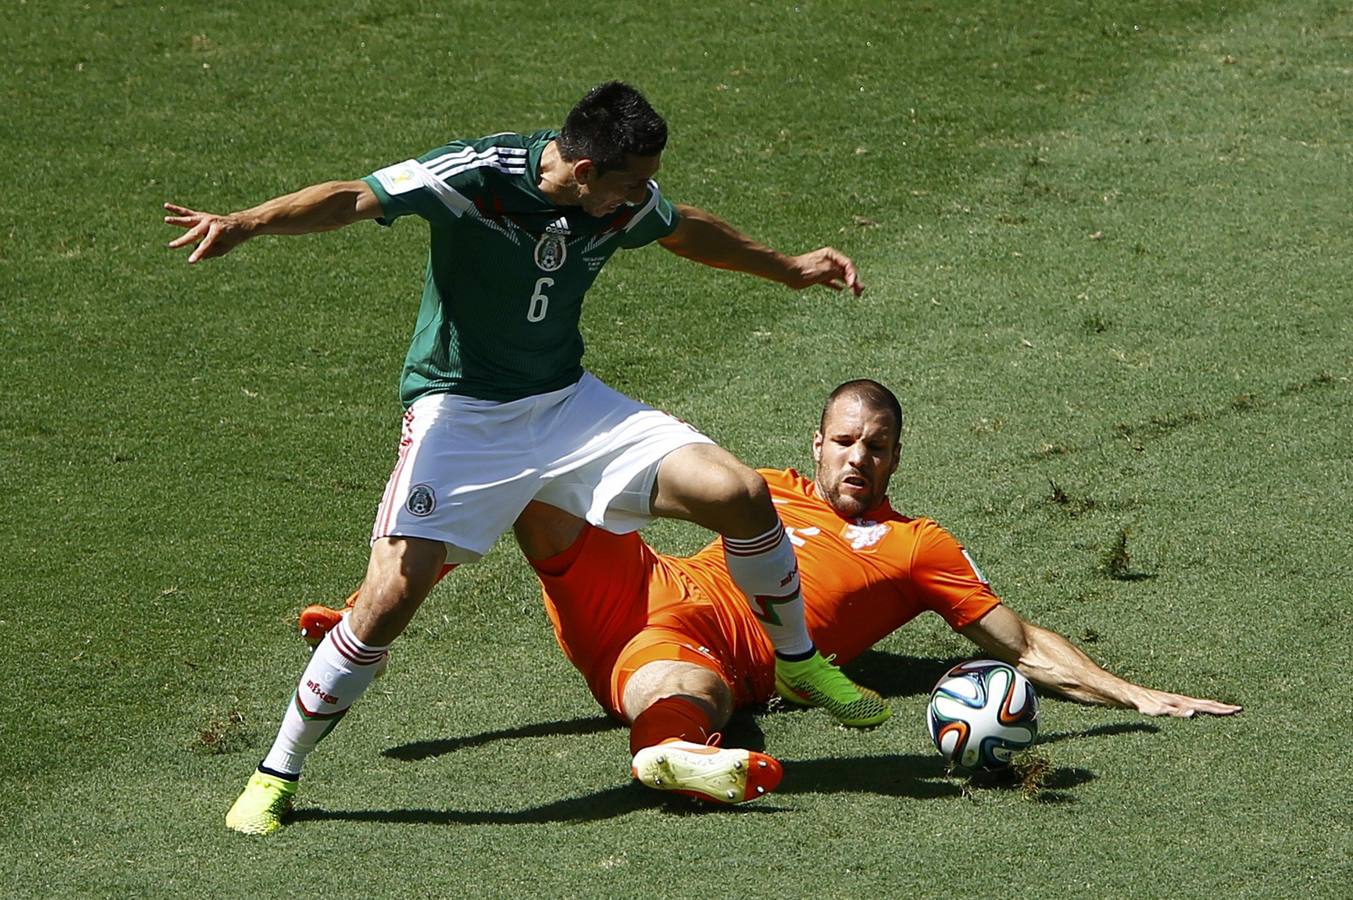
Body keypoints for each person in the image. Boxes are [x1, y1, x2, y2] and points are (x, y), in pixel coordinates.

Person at [165, 81, 886, 836]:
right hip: (463, 416)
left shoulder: (623, 196)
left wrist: (787, 267)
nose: (642, 196)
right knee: (385, 600)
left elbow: (683, 229)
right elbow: (353, 197)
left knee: (738, 493)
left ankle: (798, 662)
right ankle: (277, 772)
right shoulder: (473, 177)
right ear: (581, 174)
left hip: (566, 404)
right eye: (630, 183)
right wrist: (245, 223)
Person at [300, 379, 1241, 807]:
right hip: (637, 582)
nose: (857, 457)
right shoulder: (767, 488)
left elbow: (1021, 643)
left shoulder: (918, 547)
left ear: (895, 457)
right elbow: (640, 488)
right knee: (537, 484)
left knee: (680, 692)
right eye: (844, 439)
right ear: (819, 442)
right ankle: (370, 611)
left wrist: (1132, 695)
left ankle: (671, 757)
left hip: (705, 655)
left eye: (875, 445)